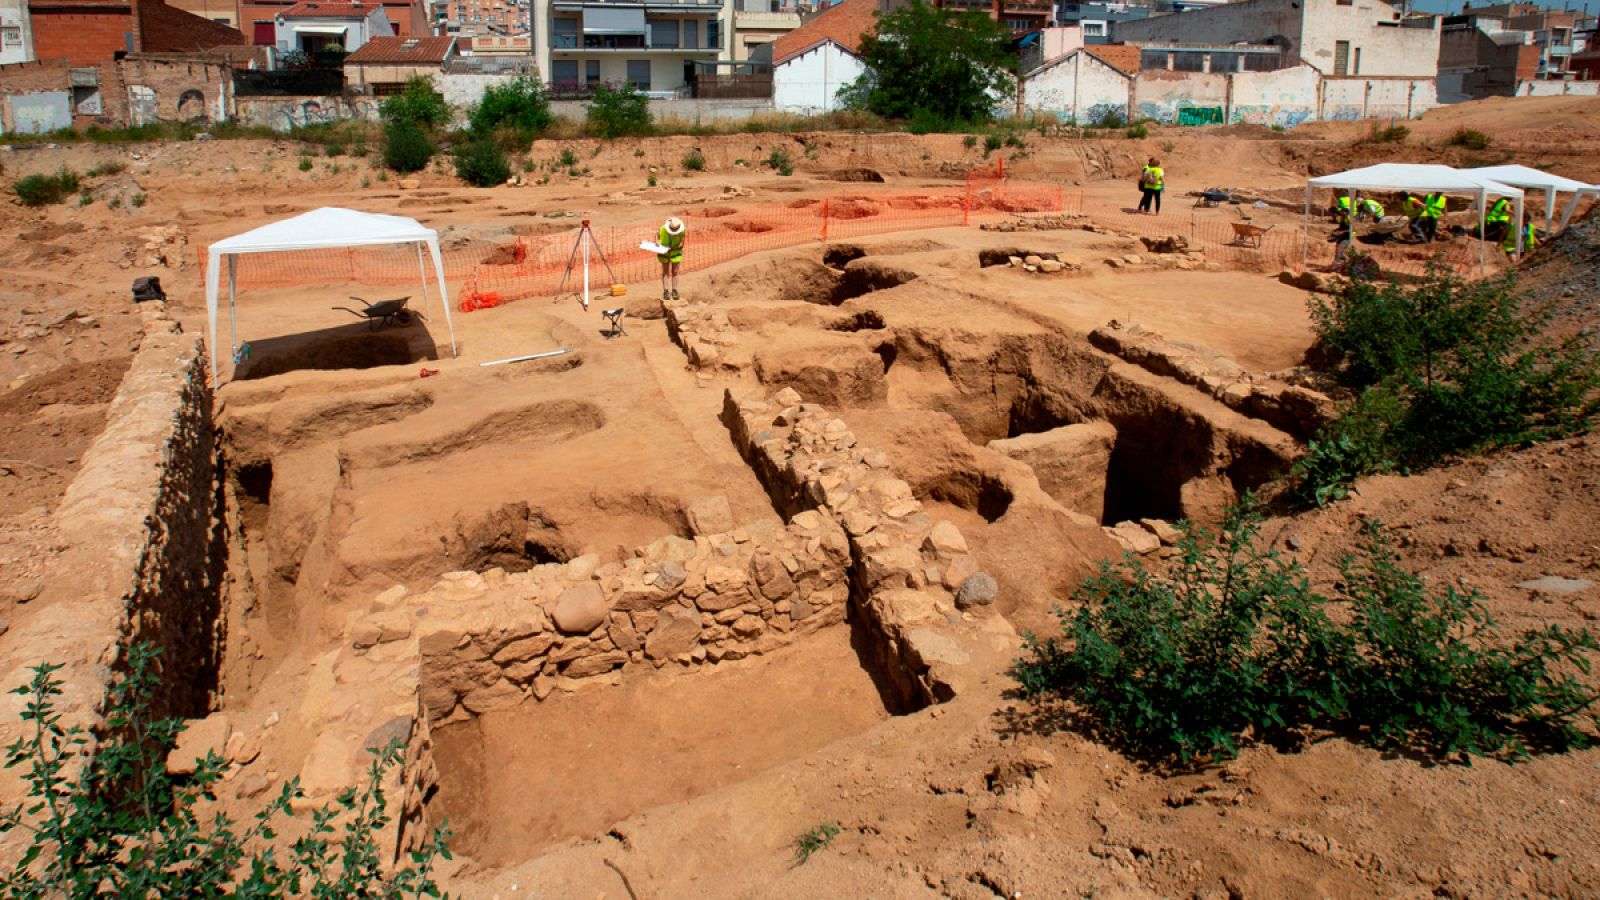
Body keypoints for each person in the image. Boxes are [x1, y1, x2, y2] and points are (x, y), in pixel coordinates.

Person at [658, 216, 685, 301]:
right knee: (665, 271)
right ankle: (666, 291)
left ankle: (674, 291)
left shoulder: (682, 231)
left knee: (675, 271)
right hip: (664, 252)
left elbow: (682, 243)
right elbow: (657, 235)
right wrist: (657, 243)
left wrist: (674, 248)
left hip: (676, 252)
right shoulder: (662, 229)